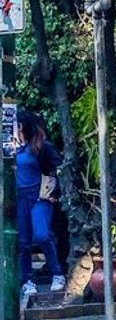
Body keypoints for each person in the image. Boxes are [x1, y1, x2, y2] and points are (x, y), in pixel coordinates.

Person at [17, 111, 65, 297]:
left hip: (40, 198)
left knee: (42, 235)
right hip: (20, 199)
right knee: (23, 242)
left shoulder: (40, 146)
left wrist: (55, 191)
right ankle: (27, 279)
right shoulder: (13, 147)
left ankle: (57, 273)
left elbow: (59, 168)